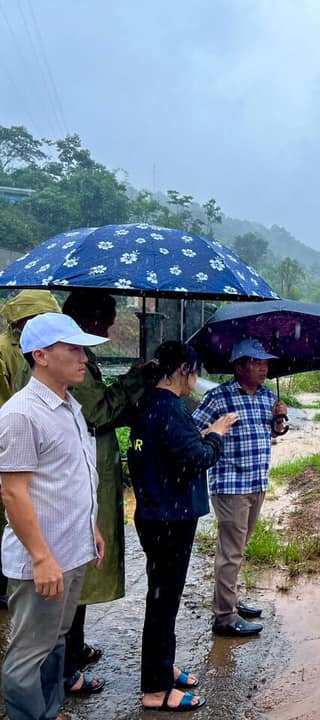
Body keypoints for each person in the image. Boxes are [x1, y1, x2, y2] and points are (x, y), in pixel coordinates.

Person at [0, 312, 107, 720]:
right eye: (74, 349)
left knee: (57, 640)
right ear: (41, 355)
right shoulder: (22, 414)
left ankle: (50, 710)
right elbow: (13, 492)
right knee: (29, 653)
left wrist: (91, 526)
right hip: (42, 558)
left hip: (71, 548)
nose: (84, 358)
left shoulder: (68, 406)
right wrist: (42, 558)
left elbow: (69, 477)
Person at [128, 341, 238, 713]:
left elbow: (170, 450)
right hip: (170, 519)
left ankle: (163, 667)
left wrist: (202, 434)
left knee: (164, 598)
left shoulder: (148, 402)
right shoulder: (172, 408)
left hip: (154, 513)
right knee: (163, 603)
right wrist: (217, 434)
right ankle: (156, 690)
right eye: (194, 372)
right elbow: (196, 459)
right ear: (182, 371)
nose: (196, 380)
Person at [59, 290, 151, 695]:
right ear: (89, 320)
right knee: (76, 570)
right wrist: (136, 379)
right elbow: (97, 412)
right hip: (82, 478)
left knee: (83, 567)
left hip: (95, 473)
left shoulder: (82, 358)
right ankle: (65, 667)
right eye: (108, 318)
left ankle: (73, 650)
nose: (112, 326)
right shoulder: (69, 359)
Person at [193, 338, 287, 637]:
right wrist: (215, 430)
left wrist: (279, 419)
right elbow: (194, 431)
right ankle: (224, 617)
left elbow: (273, 431)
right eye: (257, 363)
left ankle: (229, 600)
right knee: (231, 552)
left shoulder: (266, 396)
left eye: (265, 363)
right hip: (231, 485)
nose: (264, 368)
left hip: (257, 482)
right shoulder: (219, 398)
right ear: (239, 366)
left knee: (240, 547)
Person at [0, 290, 61, 610]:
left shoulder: (35, 348)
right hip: (15, 437)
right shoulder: (5, 350)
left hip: (32, 435)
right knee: (14, 506)